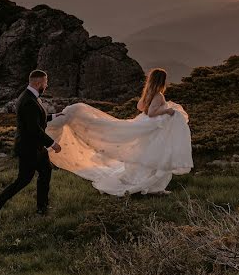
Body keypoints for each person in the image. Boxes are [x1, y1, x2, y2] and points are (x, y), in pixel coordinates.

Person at [44, 68, 193, 196]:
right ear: (162, 81)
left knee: (144, 156)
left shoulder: (148, 93)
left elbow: (141, 107)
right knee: (155, 157)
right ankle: (152, 187)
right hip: (153, 128)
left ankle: (151, 186)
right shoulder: (158, 95)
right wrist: (168, 110)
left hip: (146, 125)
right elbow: (153, 113)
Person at [0, 69, 62, 223]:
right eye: (45, 82)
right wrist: (52, 143)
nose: (46, 85)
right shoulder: (28, 101)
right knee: (23, 180)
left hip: (36, 148)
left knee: (46, 171)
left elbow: (37, 119)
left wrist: (55, 116)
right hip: (28, 148)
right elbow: (34, 129)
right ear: (38, 83)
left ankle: (42, 207)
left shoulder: (32, 97)